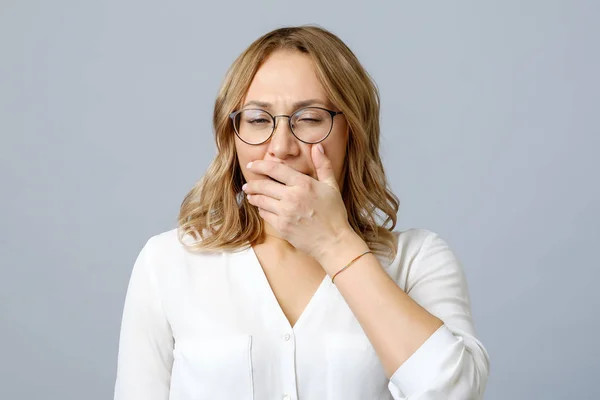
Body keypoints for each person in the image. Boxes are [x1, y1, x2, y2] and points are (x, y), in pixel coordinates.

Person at [113, 25, 490, 400]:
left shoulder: (417, 261)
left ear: (352, 133)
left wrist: (336, 245)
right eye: (259, 120)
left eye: (309, 119)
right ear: (232, 136)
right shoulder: (166, 263)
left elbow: (453, 393)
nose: (280, 147)